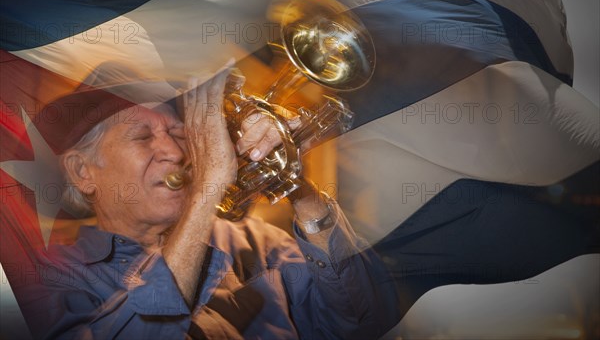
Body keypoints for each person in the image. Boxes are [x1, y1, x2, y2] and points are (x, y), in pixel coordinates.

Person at [21, 62, 400, 339]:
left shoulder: (258, 241)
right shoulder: (51, 277)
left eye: (178, 133)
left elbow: (368, 322)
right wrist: (207, 190)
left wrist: (299, 188)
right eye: (142, 137)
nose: (173, 150)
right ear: (81, 171)